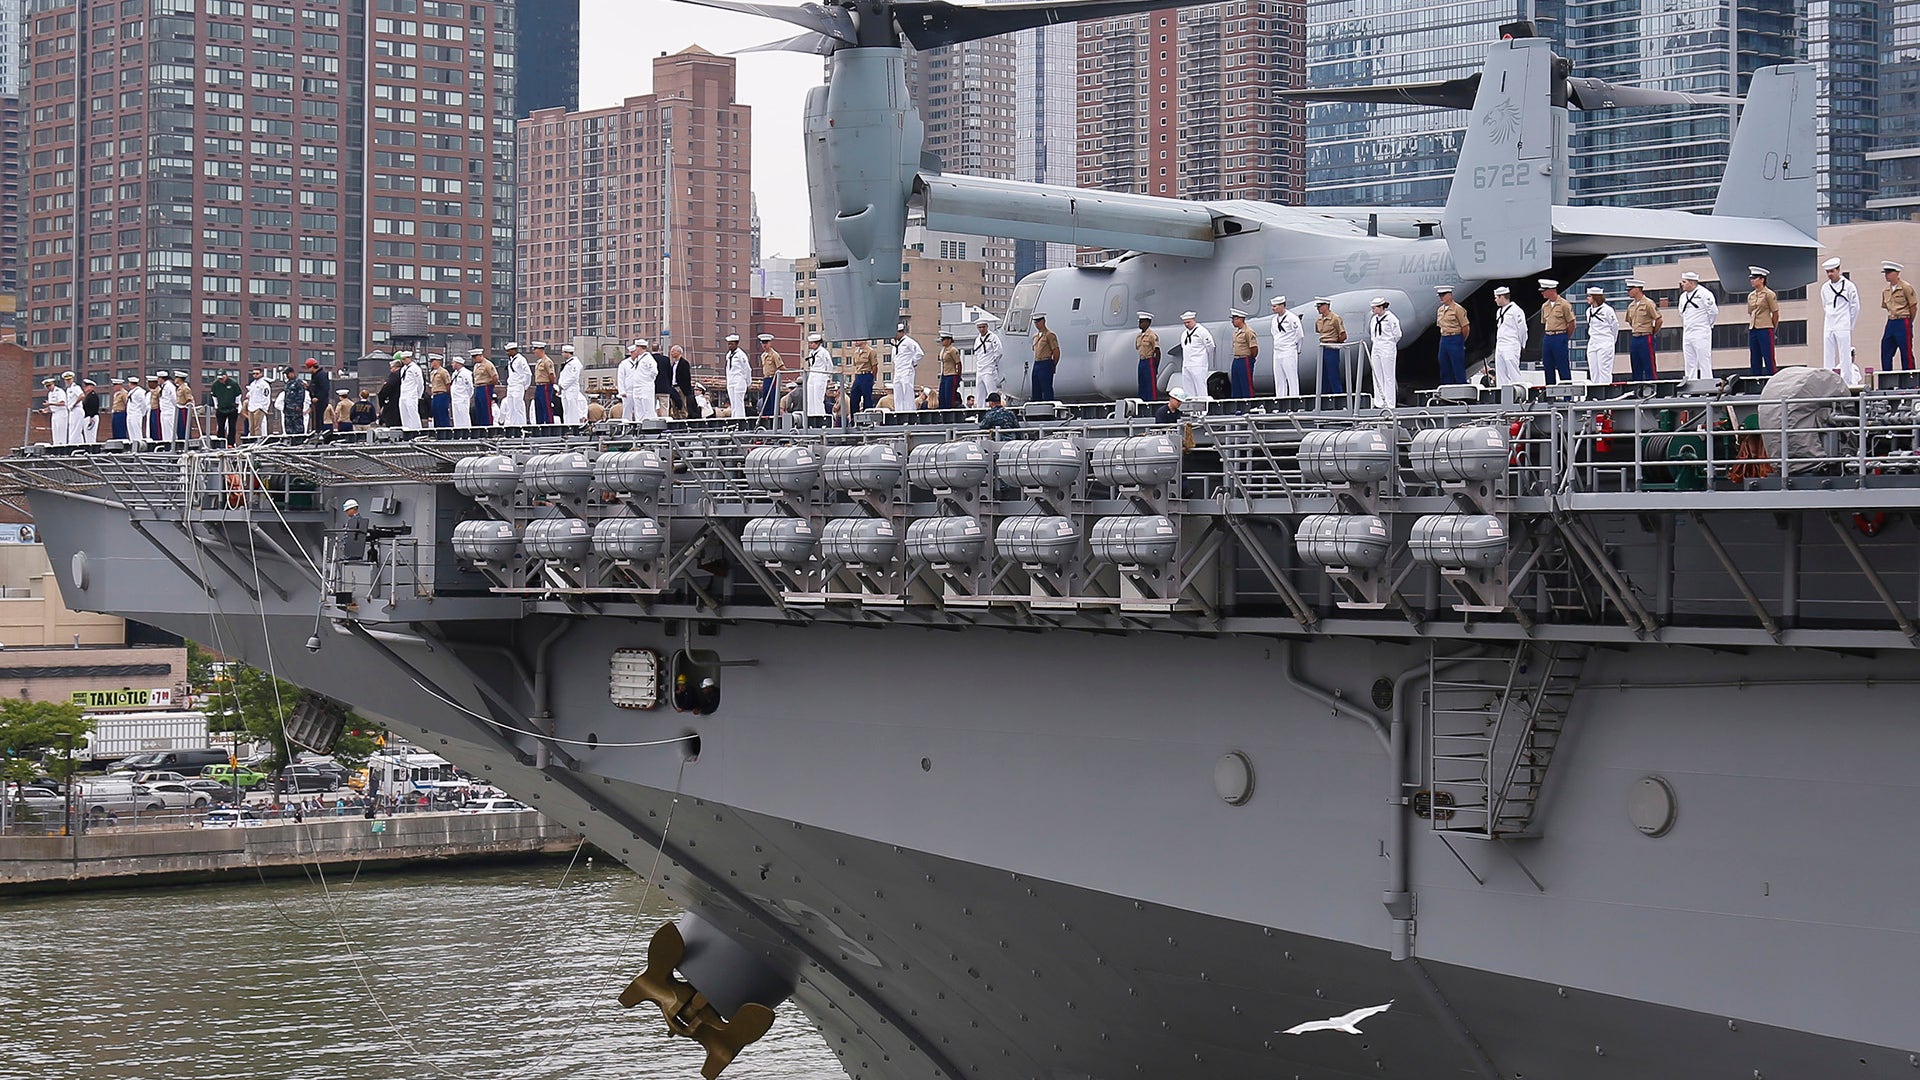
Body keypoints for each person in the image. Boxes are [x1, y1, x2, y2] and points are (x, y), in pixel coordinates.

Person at [1818, 258, 1860, 385]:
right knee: (1828, 354)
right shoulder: (1825, 287)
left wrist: (1849, 324)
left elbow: (1855, 307)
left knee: (1845, 354)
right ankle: (1828, 382)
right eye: (1828, 272)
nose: (1830, 274)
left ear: (1838, 270)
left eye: (1832, 271)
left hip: (1843, 322)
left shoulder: (1849, 286)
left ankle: (1847, 382)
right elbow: (1825, 305)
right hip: (1829, 322)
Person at [1677, 270, 1718, 381]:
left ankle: (1707, 384)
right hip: (1687, 331)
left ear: (1692, 283)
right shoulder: (1682, 297)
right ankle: (1691, 385)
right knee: (1689, 361)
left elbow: (1713, 311)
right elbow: (1682, 313)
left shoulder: (1705, 294)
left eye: (1684, 282)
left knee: (1704, 360)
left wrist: (1707, 325)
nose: (1682, 284)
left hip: (1701, 331)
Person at [1538, 279, 1575, 385]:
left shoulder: (1564, 304)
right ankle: (1550, 395)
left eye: (1544, 290)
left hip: (1560, 335)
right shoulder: (1545, 306)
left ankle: (1567, 395)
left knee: (1562, 366)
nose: (1542, 293)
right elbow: (1544, 323)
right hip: (1548, 337)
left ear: (1551, 290)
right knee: (1548, 366)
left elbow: (1572, 323)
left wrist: (1565, 337)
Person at [1883, 261, 1917, 372]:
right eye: (1885, 273)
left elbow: (1913, 306)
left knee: (1906, 351)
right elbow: (1887, 306)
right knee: (1886, 350)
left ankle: (1910, 380)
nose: (1886, 275)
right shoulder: (1886, 291)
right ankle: (1887, 381)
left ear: (1897, 273)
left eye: (1889, 272)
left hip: (1903, 320)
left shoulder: (1906, 287)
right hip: (1891, 321)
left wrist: (1909, 320)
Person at [1367, 297, 1401, 407]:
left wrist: (1389, 343)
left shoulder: (1391, 318)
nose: (1373, 310)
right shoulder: (1374, 319)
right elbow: (1372, 334)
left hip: (1387, 346)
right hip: (1376, 345)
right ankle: (1379, 401)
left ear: (1381, 307)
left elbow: (1397, 334)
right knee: (1377, 374)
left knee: (1388, 375)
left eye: (1375, 308)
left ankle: (1390, 402)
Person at [1625, 279, 1661, 381]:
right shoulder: (1631, 306)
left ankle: (1652, 387)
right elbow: (1630, 321)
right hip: (1635, 337)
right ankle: (1637, 389)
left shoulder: (1648, 303)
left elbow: (1659, 319)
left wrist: (1653, 332)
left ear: (1637, 289)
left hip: (1646, 336)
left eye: (1630, 289)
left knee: (1649, 365)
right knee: (1635, 366)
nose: (1628, 292)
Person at [1746, 267, 1779, 377]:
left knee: (1769, 357)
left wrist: (1773, 329)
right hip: (1753, 328)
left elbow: (1775, 313)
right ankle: (1755, 381)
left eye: (1755, 278)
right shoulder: (1751, 295)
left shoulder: (1769, 294)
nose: (1752, 280)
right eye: (1751, 278)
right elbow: (1751, 312)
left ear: (1762, 279)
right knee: (1755, 357)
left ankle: (1772, 379)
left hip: (1765, 328)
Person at [1268, 297, 1303, 399]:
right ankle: (1281, 400)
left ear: (1282, 305)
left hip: (1289, 350)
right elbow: (1274, 334)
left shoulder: (1292, 318)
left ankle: (1294, 400)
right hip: (1278, 351)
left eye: (1275, 306)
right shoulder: (1274, 320)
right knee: (1279, 378)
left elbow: (1299, 335)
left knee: (1291, 377)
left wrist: (1298, 349)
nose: (1273, 308)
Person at [1434, 286, 1470, 385]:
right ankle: (1446, 387)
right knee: (1444, 364)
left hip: (1455, 337)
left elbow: (1465, 327)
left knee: (1457, 365)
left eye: (1443, 295)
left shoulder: (1457, 309)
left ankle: (1461, 387)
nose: (1441, 298)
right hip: (1444, 338)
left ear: (1450, 295)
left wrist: (1461, 340)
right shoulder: (1440, 310)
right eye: (1440, 296)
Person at [1176, 311, 1214, 401]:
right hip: (1187, 364)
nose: (1186, 324)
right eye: (1185, 323)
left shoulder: (1202, 331)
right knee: (1188, 387)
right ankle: (1191, 408)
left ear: (1194, 320)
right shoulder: (1184, 334)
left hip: (1198, 364)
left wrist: (1202, 358)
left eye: (1188, 322)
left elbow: (1210, 346)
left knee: (1200, 386)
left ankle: (1203, 408)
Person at [1584, 286, 1619, 384]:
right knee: (1594, 370)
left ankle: (1605, 392)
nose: (1587, 298)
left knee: (1604, 370)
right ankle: (1596, 392)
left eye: (1589, 296)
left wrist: (1612, 341)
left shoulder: (1608, 310)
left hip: (1605, 341)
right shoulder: (1588, 311)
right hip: (1593, 341)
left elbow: (1615, 326)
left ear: (1595, 297)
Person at [1492, 286, 1526, 386]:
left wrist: (1522, 344)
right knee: (1500, 373)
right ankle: (1502, 395)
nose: (1495, 300)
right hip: (1500, 344)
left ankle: (1519, 394)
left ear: (1502, 297)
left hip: (1511, 343)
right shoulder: (1499, 311)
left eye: (1496, 297)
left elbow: (1523, 329)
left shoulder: (1516, 310)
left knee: (1513, 371)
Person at [1313, 298, 1347, 395]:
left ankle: (1338, 396)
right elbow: (1319, 332)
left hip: (1332, 347)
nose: (1318, 309)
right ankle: (1324, 398)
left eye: (1320, 306)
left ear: (1326, 306)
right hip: (1322, 347)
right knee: (1323, 375)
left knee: (1333, 374)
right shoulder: (1319, 320)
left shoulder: (1335, 318)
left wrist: (1336, 343)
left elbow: (1343, 335)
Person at [621, 339, 658, 421]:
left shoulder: (648, 358)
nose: (635, 349)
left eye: (637, 347)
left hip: (645, 387)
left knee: (647, 407)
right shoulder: (639, 359)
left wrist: (647, 380)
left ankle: (649, 424)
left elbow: (654, 371)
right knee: (638, 408)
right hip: (637, 387)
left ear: (641, 347)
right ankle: (640, 423)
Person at [890, 324, 921, 412]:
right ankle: (899, 411)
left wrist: (912, 362)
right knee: (897, 390)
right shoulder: (895, 344)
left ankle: (910, 411)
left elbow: (919, 353)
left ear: (901, 332)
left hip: (907, 370)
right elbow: (894, 357)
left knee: (907, 390)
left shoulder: (909, 342)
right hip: (898, 370)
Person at [1229, 309, 1258, 400]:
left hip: (1245, 359)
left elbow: (1254, 348)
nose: (1233, 321)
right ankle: (1237, 404)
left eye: (1234, 318)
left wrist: (1250, 358)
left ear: (1241, 319)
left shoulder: (1248, 332)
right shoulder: (1236, 332)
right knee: (1236, 384)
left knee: (1246, 383)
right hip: (1236, 359)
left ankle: (1249, 403)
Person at [1029, 313, 1059, 401]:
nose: (1037, 324)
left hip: (1046, 362)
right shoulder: (1035, 336)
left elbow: (1056, 351)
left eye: (1039, 321)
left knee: (1046, 388)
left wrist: (1053, 364)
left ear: (1044, 321)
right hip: (1037, 363)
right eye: (1035, 322)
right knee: (1036, 388)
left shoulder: (1050, 335)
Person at [806, 332, 835, 422]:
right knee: (810, 396)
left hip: (820, 374)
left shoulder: (823, 352)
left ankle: (820, 416)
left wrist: (827, 376)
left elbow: (829, 365)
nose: (810, 345)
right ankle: (811, 415)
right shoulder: (812, 352)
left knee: (818, 397)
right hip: (812, 373)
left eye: (812, 343)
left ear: (817, 343)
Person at [973, 319, 1003, 405]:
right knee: (980, 394)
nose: (982, 329)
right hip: (980, 369)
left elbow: (999, 351)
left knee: (992, 393)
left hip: (989, 368)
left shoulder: (993, 337)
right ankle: (980, 411)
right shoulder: (977, 339)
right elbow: (977, 354)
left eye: (983, 327)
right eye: (980, 327)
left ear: (987, 327)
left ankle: (995, 409)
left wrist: (993, 362)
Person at [502, 342, 532, 425]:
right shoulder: (511, 360)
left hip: (518, 385)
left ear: (513, 350)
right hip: (511, 386)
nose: (507, 353)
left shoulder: (521, 359)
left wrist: (525, 385)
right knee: (511, 408)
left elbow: (528, 373)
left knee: (518, 407)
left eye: (508, 351)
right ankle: (513, 425)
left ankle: (521, 425)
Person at [209, 371, 242, 446]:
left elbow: (238, 394)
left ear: (226, 376)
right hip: (221, 409)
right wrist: (216, 406)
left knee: (232, 427)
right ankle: (221, 442)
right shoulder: (216, 384)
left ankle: (231, 443)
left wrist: (236, 405)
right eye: (219, 378)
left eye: (222, 378)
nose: (221, 380)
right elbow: (214, 396)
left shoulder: (233, 383)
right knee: (220, 426)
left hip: (232, 408)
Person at [847, 338, 879, 413]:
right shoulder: (856, 352)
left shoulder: (871, 351)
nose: (856, 342)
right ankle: (854, 418)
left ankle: (867, 418)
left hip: (867, 375)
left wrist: (872, 378)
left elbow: (874, 366)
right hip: (858, 375)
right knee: (854, 398)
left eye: (858, 340)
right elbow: (856, 365)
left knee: (867, 398)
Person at [559, 343, 588, 425]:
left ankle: (573, 424)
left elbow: (573, 377)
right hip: (565, 389)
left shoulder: (575, 363)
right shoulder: (567, 363)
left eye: (563, 352)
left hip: (571, 389)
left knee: (572, 409)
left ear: (568, 353)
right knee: (566, 409)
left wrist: (563, 385)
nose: (562, 354)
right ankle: (567, 424)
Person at [530, 342, 558, 424]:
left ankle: (549, 424)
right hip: (538, 386)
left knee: (546, 407)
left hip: (545, 386)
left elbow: (551, 375)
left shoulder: (547, 361)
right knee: (538, 407)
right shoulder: (539, 361)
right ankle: (540, 424)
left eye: (535, 349)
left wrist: (551, 384)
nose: (534, 351)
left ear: (540, 349)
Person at [470, 348, 498, 426]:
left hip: (485, 387)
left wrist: (490, 386)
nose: (474, 359)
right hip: (477, 387)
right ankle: (480, 425)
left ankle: (487, 425)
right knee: (478, 408)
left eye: (475, 357)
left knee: (485, 408)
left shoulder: (487, 364)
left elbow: (495, 377)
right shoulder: (476, 365)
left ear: (480, 355)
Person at [757, 334, 782, 418]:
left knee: (773, 398)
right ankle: (766, 415)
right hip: (766, 378)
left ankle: (773, 416)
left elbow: (781, 367)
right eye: (763, 343)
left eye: (766, 343)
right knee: (765, 398)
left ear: (770, 343)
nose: (764, 345)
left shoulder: (774, 355)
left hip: (773, 378)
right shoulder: (763, 355)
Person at [399, 350, 425, 432]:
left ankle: (417, 430)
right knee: (404, 413)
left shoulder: (415, 368)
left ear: (409, 358)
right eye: (402, 359)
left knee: (413, 413)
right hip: (403, 394)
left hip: (411, 394)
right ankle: (407, 430)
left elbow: (420, 383)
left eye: (404, 359)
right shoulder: (403, 369)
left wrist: (418, 395)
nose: (403, 361)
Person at [935, 331, 962, 409]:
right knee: (942, 396)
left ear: (949, 340)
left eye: (944, 339)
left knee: (949, 396)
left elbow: (958, 364)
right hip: (944, 374)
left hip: (951, 374)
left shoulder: (953, 350)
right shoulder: (943, 350)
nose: (942, 341)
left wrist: (958, 377)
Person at [668, 345, 696, 416]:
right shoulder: (674, 364)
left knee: (682, 405)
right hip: (673, 387)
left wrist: (685, 389)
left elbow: (686, 377)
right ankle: (676, 418)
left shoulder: (684, 363)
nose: (671, 353)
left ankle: (683, 418)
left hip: (681, 387)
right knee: (674, 405)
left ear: (678, 352)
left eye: (673, 351)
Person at [304, 358, 330, 431]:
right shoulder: (315, 376)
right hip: (315, 401)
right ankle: (316, 430)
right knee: (316, 419)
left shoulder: (321, 375)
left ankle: (319, 431)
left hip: (320, 401)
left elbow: (325, 388)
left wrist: (318, 397)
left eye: (309, 368)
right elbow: (315, 388)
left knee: (319, 418)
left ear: (312, 367)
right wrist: (308, 388)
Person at [282, 366, 309, 436]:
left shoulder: (298, 382)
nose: (287, 376)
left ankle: (299, 440)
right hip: (288, 409)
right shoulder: (288, 383)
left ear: (292, 373)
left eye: (287, 374)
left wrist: (299, 405)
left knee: (297, 426)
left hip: (295, 409)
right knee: (288, 426)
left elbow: (301, 394)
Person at [246, 368, 272, 438]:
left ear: (261, 374)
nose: (255, 375)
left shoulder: (264, 384)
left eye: (257, 373)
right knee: (251, 427)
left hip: (259, 407)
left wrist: (263, 408)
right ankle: (252, 441)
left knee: (257, 426)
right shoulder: (252, 384)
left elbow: (266, 396)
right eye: (253, 374)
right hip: (251, 407)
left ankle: (258, 441)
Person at [449, 355, 474, 430]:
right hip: (455, 398)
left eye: (453, 363)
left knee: (464, 417)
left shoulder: (466, 373)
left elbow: (470, 387)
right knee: (456, 417)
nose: (452, 364)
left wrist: (466, 397)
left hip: (462, 398)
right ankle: (458, 431)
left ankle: (467, 432)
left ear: (458, 363)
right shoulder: (454, 373)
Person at [428, 354, 453, 427]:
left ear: (438, 361)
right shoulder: (432, 373)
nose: (431, 363)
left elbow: (448, 384)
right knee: (436, 414)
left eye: (433, 361)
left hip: (442, 394)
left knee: (442, 414)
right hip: (435, 395)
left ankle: (445, 430)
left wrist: (448, 395)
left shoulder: (443, 372)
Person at [377, 357, 403, 427]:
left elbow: (386, 390)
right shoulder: (405, 374)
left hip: (393, 407)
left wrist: (382, 403)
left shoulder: (394, 375)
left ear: (394, 367)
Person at [127, 375, 149, 450]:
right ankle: (133, 445)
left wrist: (142, 412)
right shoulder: (131, 391)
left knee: (137, 431)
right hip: (130, 413)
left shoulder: (140, 392)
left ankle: (140, 446)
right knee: (131, 430)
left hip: (136, 413)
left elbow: (143, 403)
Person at [157, 371, 179, 443]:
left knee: (170, 430)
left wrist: (174, 407)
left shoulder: (169, 386)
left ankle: (172, 444)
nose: (157, 380)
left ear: (162, 379)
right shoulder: (164, 386)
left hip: (169, 411)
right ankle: (166, 443)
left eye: (159, 378)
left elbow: (174, 398)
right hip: (164, 411)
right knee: (165, 430)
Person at [43, 377, 67, 445]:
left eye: (49, 385)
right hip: (54, 414)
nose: (49, 387)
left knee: (61, 432)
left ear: (53, 384)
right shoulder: (50, 393)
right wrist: (45, 410)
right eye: (47, 386)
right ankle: (56, 445)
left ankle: (62, 446)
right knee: (55, 432)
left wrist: (50, 403)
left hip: (61, 413)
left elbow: (63, 403)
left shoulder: (59, 391)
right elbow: (52, 406)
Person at [64, 372, 86, 444]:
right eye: (67, 380)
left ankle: (72, 444)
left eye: (69, 379)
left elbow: (82, 395)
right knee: (73, 428)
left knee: (76, 429)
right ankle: (80, 444)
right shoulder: (68, 389)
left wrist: (74, 404)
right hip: (72, 411)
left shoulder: (75, 387)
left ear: (72, 379)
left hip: (77, 409)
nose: (68, 381)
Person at [172, 371, 194, 440]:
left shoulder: (185, 388)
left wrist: (186, 406)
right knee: (179, 427)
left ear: (179, 379)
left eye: (176, 377)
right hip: (179, 408)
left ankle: (185, 441)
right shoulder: (179, 387)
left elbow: (189, 399)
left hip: (184, 409)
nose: (175, 379)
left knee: (184, 427)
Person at [79, 378, 101, 444]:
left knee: (91, 436)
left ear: (91, 387)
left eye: (87, 386)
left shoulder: (93, 396)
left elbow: (93, 407)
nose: (85, 388)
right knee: (87, 436)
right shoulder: (88, 396)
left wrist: (91, 417)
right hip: (87, 417)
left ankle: (92, 450)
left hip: (91, 417)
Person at [109, 377, 129, 442]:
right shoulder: (116, 394)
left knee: (120, 430)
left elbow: (127, 403)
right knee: (115, 430)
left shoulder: (124, 393)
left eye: (115, 385)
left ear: (119, 385)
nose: (114, 387)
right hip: (115, 413)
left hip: (121, 413)